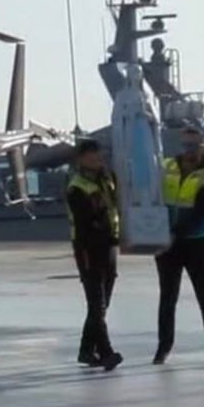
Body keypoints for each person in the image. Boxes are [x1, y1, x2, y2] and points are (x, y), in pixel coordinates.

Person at [154, 127, 204, 368]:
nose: (189, 150)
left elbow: (202, 211)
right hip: (166, 242)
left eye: (194, 146)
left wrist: (173, 234)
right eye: (185, 145)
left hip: (196, 241)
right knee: (168, 296)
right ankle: (163, 349)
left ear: (203, 146)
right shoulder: (166, 166)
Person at [66, 139, 123, 372]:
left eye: (98, 154)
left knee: (102, 302)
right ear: (81, 160)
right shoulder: (76, 187)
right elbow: (88, 220)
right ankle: (106, 352)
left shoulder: (106, 180)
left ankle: (86, 350)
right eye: (91, 155)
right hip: (88, 248)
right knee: (97, 303)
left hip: (109, 246)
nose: (97, 158)